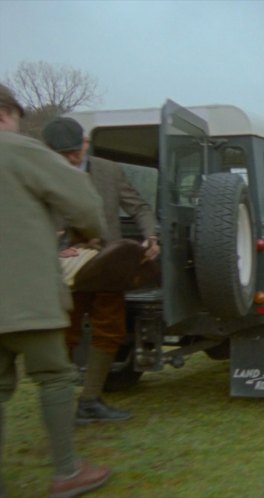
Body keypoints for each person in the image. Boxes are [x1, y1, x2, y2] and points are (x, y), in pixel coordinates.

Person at [0, 84, 111, 497]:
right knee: (55, 377)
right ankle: (67, 471)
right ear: (5, 114)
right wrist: (94, 235)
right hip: (24, 294)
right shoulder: (17, 149)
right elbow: (82, 200)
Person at [42, 116, 160, 424]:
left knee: (110, 329)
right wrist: (53, 246)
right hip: (64, 269)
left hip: (106, 264)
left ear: (85, 142)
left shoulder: (108, 170)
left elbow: (140, 207)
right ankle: (59, 402)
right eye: (62, 153)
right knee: (63, 334)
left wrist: (150, 236)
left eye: (75, 150)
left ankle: (90, 400)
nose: (71, 158)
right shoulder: (39, 173)